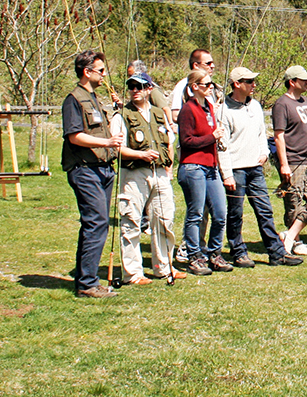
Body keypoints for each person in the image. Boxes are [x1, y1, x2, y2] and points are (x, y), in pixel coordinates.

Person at [220, 67, 301, 266]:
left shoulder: (255, 106)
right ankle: (238, 252)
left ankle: (276, 253)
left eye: (254, 81)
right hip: (236, 169)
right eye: (249, 82)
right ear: (237, 84)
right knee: (235, 213)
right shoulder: (222, 110)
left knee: (265, 210)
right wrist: (227, 174)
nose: (254, 85)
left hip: (255, 169)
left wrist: (264, 152)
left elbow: (261, 132)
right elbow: (221, 146)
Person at [62, 50, 122, 298]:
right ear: (87, 72)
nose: (104, 74)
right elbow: (74, 136)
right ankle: (87, 284)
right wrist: (107, 143)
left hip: (103, 170)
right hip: (85, 170)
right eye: (101, 70)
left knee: (95, 224)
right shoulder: (73, 100)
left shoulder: (94, 98)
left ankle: (85, 278)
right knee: (96, 223)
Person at [113, 72, 175, 286]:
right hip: (134, 174)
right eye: (131, 87)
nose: (135, 90)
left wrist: (169, 167)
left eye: (139, 86)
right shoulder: (121, 115)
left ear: (150, 89)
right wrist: (141, 154)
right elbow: (117, 148)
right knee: (131, 221)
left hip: (159, 173)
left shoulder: (159, 114)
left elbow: (169, 141)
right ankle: (133, 273)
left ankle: (164, 268)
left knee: (164, 220)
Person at [177, 68, 230, 276]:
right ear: (195, 87)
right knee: (195, 214)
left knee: (220, 213)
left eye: (211, 84)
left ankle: (214, 253)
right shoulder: (188, 110)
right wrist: (212, 137)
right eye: (207, 85)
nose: (211, 88)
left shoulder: (209, 106)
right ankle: (194, 256)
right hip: (193, 167)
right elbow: (186, 141)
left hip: (210, 166)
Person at [272, 65, 307, 256]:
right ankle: (295, 242)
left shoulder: (306, 101)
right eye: (302, 79)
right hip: (293, 161)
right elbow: (279, 136)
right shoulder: (281, 104)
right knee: (293, 203)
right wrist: (284, 164)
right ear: (292, 82)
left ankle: (289, 235)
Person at [170, 48, 219, 123]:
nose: (212, 66)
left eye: (212, 63)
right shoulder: (183, 85)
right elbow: (175, 116)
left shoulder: (212, 85)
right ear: (196, 65)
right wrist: (208, 113)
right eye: (208, 63)